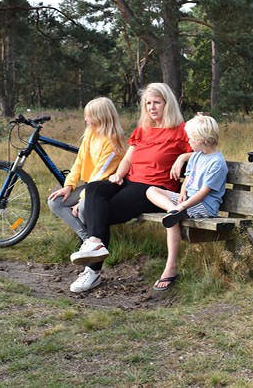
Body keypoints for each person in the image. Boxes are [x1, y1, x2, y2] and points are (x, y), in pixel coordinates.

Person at [68, 82, 193, 293]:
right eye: (148, 103)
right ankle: (95, 242)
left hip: (154, 188)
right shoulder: (142, 131)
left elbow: (203, 152)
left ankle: (92, 271)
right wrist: (118, 174)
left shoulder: (182, 130)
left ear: (167, 103)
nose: (152, 107)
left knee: (101, 212)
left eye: (157, 102)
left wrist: (183, 156)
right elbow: (127, 160)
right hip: (130, 181)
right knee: (96, 189)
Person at [146, 115, 228, 290]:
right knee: (151, 190)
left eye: (190, 137)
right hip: (186, 202)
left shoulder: (217, 163)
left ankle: (170, 268)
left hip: (204, 206)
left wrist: (183, 206)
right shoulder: (197, 156)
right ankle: (172, 210)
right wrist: (181, 195)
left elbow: (203, 193)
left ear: (202, 140)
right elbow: (188, 180)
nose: (188, 140)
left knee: (172, 220)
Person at [47, 97, 126, 242]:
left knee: (84, 207)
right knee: (55, 201)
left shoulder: (113, 142)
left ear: (100, 117)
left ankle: (93, 242)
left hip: (106, 187)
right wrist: (68, 186)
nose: (86, 119)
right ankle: (87, 239)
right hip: (91, 186)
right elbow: (79, 162)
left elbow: (100, 176)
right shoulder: (91, 134)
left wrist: (82, 199)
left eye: (89, 115)